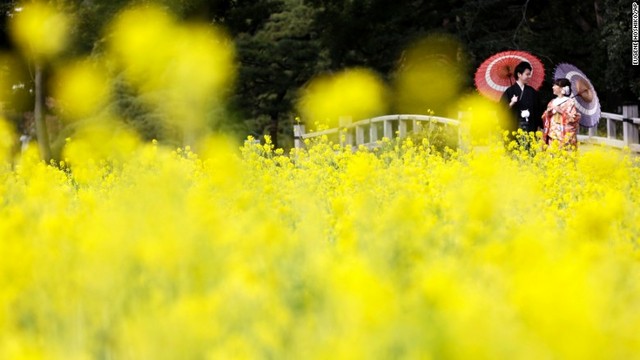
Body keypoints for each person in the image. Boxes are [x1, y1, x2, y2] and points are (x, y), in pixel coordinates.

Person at [500, 61, 542, 133]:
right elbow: (501, 110)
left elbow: (537, 110)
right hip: (515, 126)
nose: (529, 77)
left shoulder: (532, 91)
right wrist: (512, 103)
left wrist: (539, 125)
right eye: (527, 74)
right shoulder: (509, 91)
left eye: (530, 74)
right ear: (519, 74)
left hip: (530, 125)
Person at [541, 78, 581, 147]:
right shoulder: (552, 101)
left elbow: (573, 119)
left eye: (555, 85)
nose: (552, 87)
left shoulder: (570, 102)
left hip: (564, 134)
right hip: (552, 133)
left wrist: (561, 111)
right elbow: (544, 117)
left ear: (562, 88)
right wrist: (548, 113)